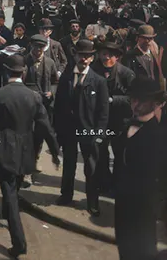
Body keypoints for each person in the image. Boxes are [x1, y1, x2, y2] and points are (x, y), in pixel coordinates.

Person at [0, 54, 60, 258]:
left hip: (4, 150)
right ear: (24, 72)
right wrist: (55, 152)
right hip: (27, 151)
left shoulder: (0, 95)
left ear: (6, 71)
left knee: (10, 193)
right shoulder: (34, 96)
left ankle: (19, 242)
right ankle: (6, 212)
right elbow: (46, 127)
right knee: (14, 185)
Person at [54, 39, 109, 216]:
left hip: (89, 131)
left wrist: (98, 134)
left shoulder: (99, 81)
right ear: (75, 55)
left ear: (92, 59)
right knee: (69, 163)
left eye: (87, 56)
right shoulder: (67, 77)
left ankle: (92, 202)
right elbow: (59, 106)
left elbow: (103, 112)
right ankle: (66, 195)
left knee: (91, 168)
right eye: (81, 55)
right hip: (69, 130)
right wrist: (58, 130)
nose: (83, 59)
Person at [114, 76, 166, 260]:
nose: (136, 104)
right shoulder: (126, 127)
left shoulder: (158, 135)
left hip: (144, 209)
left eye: (142, 100)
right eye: (133, 99)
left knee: (142, 252)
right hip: (123, 206)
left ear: (154, 103)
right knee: (125, 250)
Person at [91, 37, 134, 193]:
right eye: (103, 54)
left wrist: (112, 99)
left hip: (120, 120)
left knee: (119, 155)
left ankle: (117, 185)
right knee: (100, 153)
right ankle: (103, 183)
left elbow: (133, 98)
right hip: (100, 121)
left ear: (117, 57)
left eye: (110, 55)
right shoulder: (93, 70)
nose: (106, 57)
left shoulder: (126, 74)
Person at [25, 35, 59, 163]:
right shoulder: (24, 61)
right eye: (35, 47)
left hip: (44, 105)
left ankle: (36, 157)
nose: (38, 50)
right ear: (31, 46)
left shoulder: (50, 62)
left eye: (41, 47)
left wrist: (52, 92)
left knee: (40, 133)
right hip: (27, 105)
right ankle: (28, 163)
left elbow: (56, 81)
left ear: (44, 48)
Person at [0, 11, 14, 89]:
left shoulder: (7, 31)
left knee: (4, 75)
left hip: (4, 56)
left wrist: (4, 43)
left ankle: (3, 90)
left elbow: (10, 44)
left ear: (4, 21)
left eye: (0, 20)